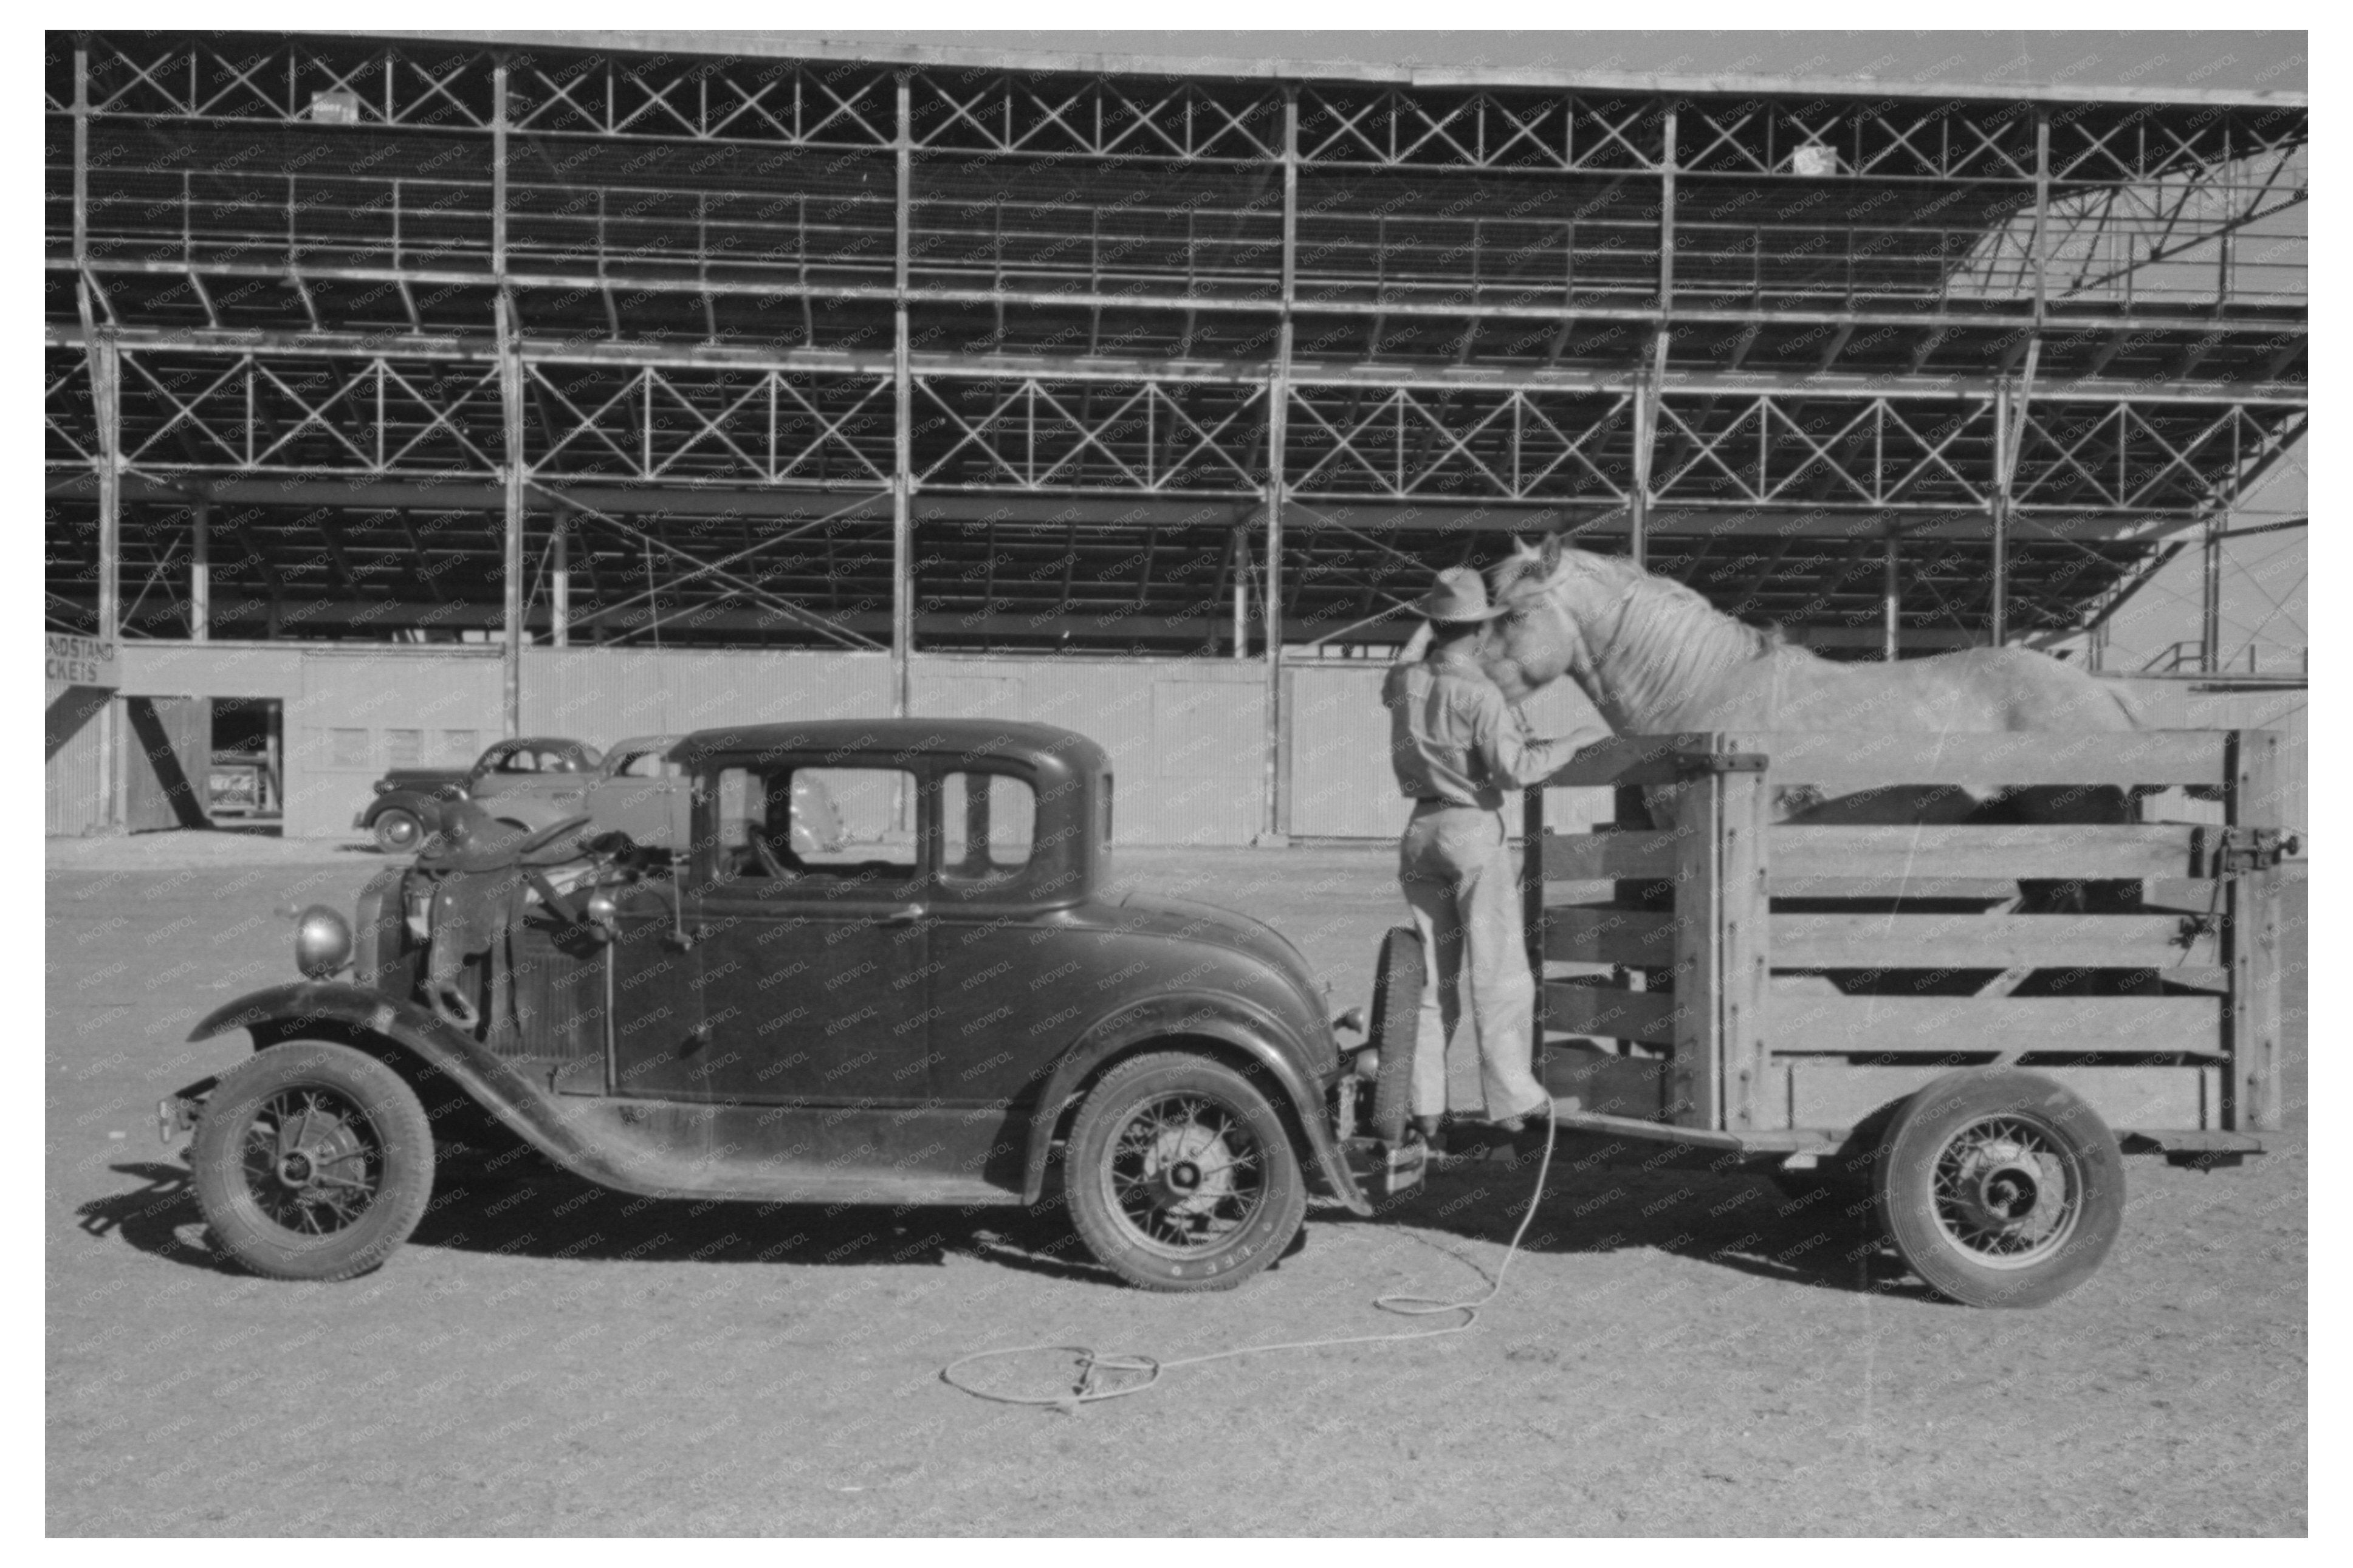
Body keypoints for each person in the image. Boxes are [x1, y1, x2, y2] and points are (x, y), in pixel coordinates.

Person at [1383, 564, 1610, 1154]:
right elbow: (1515, 770)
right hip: (1470, 830)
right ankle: (1512, 1097)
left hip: (1419, 831)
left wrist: (1428, 628)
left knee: (1433, 980)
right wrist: (1572, 741)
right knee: (1499, 970)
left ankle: (1423, 1107)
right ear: (1482, 631)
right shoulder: (1480, 692)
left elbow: (1403, 664)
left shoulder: (1405, 682)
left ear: (1434, 624)